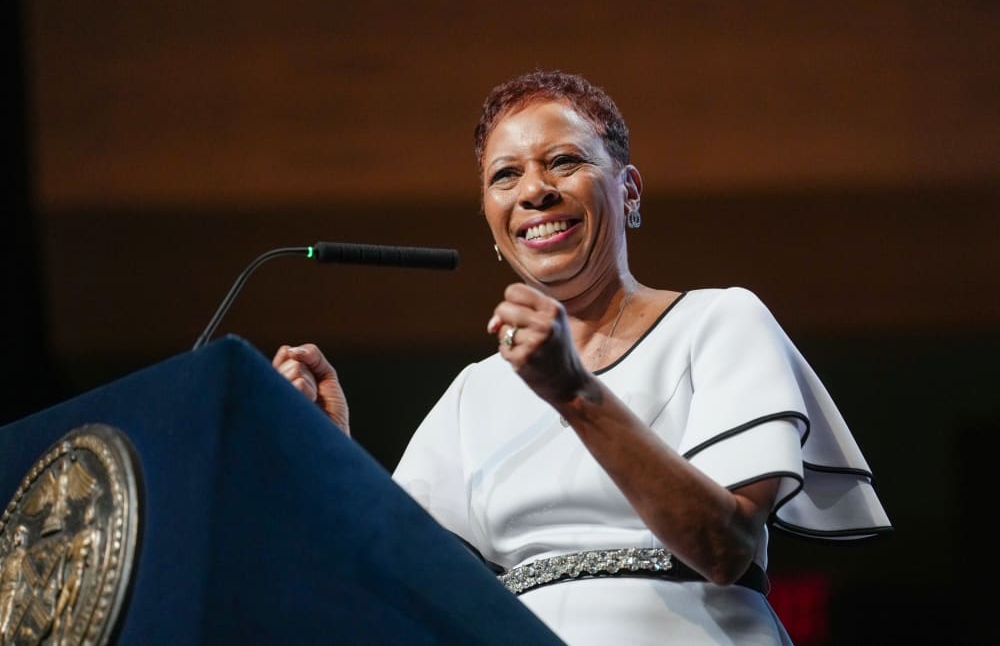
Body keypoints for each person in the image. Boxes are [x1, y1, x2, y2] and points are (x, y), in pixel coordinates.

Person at [272, 70, 891, 644]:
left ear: (629, 190)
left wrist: (574, 391)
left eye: (564, 162)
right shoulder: (472, 393)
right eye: (505, 175)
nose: (534, 191)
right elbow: (405, 590)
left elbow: (724, 546)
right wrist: (327, 458)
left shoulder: (716, 322)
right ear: (491, 220)